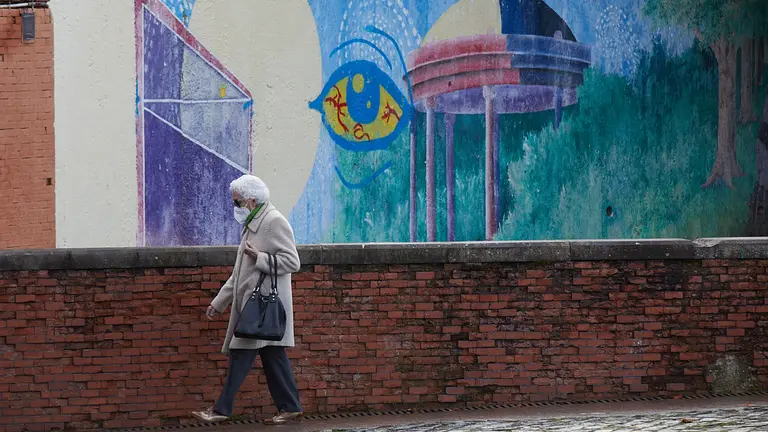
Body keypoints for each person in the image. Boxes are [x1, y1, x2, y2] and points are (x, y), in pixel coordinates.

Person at [192, 175, 303, 425]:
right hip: (255, 307)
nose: (236, 207)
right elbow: (239, 273)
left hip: (260, 308)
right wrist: (219, 302)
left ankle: (221, 410)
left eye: (238, 202)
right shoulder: (253, 223)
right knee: (274, 356)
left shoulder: (273, 222)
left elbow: (293, 262)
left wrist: (261, 257)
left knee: (239, 352)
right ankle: (290, 406)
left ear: (252, 201)